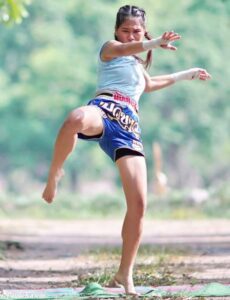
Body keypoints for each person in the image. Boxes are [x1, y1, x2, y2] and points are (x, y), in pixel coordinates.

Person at [42, 5, 211, 295]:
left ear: (143, 30)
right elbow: (126, 49)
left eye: (136, 30)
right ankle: (55, 172)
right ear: (116, 32)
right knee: (76, 119)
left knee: (139, 205)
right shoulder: (109, 49)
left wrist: (188, 74)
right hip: (104, 108)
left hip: (128, 124)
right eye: (125, 30)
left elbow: (151, 84)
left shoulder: (137, 66)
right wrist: (152, 42)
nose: (130, 34)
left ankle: (124, 274)